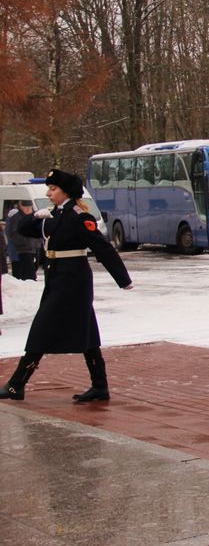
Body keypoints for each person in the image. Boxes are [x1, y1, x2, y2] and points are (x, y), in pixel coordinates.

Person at [0, 170, 133, 402]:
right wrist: (36, 217)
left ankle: (16, 384)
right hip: (58, 277)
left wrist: (123, 279)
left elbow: (103, 248)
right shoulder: (55, 214)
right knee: (87, 333)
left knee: (42, 329)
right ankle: (100, 387)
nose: (49, 193)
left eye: (53, 189)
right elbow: (24, 229)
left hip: (73, 280)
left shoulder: (79, 216)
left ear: (66, 192)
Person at [6, 200, 40, 280]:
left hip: (35, 248)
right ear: (21, 207)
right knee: (28, 272)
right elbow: (14, 234)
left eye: (29, 207)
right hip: (24, 249)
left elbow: (39, 229)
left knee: (34, 268)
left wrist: (38, 242)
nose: (28, 209)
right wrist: (24, 243)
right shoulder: (17, 217)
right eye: (26, 207)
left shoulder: (35, 216)